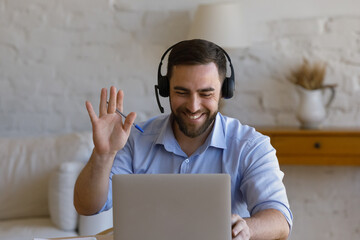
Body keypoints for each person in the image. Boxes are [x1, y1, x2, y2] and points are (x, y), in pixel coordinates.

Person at [74, 39, 293, 240]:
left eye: (206, 93)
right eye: (182, 92)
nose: (193, 106)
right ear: (165, 89)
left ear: (225, 91)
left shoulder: (251, 146)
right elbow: (87, 206)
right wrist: (103, 154)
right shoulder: (135, 140)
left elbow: (280, 221)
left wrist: (248, 227)